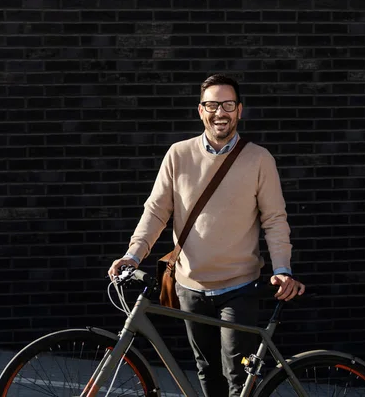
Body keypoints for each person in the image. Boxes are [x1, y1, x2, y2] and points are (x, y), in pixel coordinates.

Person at [108, 73, 305, 397]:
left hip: (239, 288)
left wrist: (282, 269)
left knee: (238, 378)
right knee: (207, 372)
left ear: (239, 110)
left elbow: (274, 219)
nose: (220, 112)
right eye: (212, 104)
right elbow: (156, 211)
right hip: (190, 287)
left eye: (228, 104)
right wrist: (133, 255)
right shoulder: (178, 155)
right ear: (201, 110)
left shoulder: (258, 159)